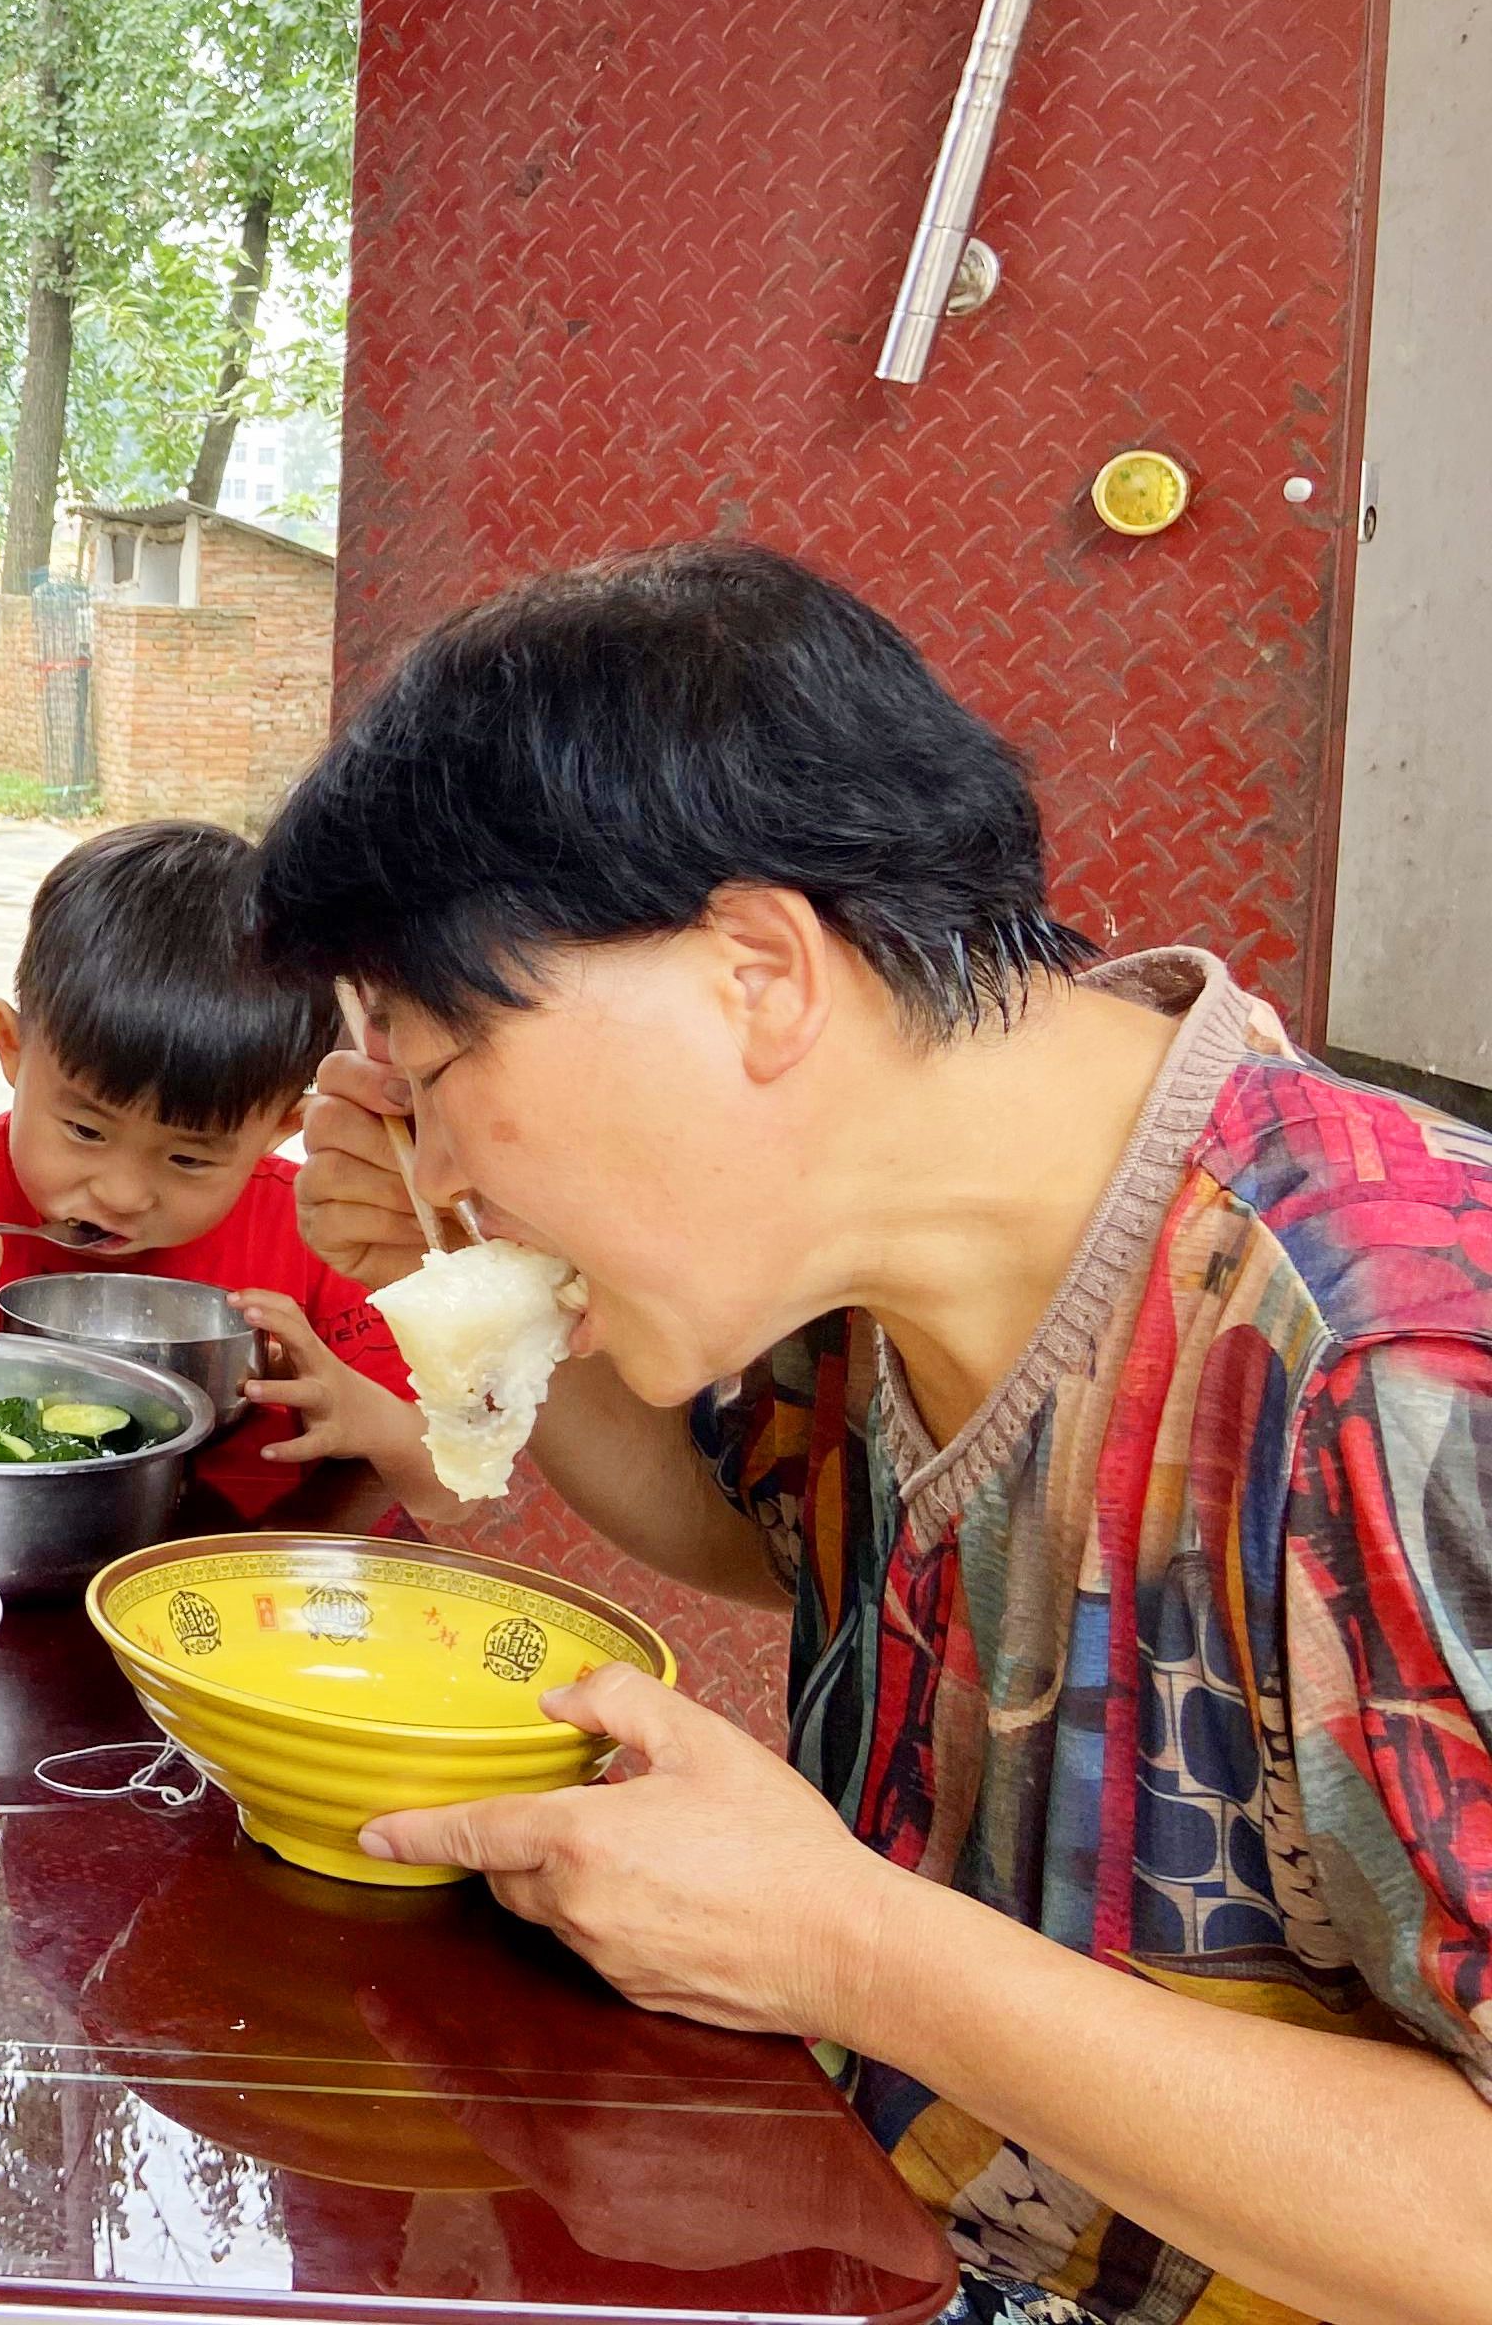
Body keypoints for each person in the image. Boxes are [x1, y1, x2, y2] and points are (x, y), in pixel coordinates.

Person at [253, 540, 1492, 2324]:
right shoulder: (867, 1259)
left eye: (440, 1074)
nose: (426, 1161)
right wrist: (482, 1265)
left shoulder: (1395, 1354)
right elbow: (729, 1532)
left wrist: (840, 1947)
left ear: (754, 973)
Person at [0, 820, 433, 1525]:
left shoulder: (327, 1234)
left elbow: (448, 1476)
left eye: (189, 1157)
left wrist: (360, 1415)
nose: (121, 1193)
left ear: (283, 1124)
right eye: (86, 1129)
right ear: (13, 1048)